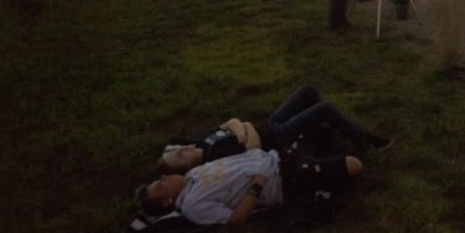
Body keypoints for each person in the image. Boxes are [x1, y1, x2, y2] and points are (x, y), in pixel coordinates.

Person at [158, 83, 390, 173]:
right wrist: (243, 129)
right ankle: (364, 138)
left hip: (269, 123)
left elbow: (232, 122)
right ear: (187, 167)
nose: (179, 150)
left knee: (308, 91)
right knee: (324, 108)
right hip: (277, 137)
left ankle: (327, 133)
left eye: (174, 151)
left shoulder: (202, 141)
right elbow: (253, 148)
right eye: (177, 157)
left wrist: (241, 130)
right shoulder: (213, 158)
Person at [140, 148, 363, 226]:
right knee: (354, 165)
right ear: (168, 202)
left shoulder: (191, 174)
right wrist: (258, 184)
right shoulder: (192, 205)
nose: (163, 178)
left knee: (321, 128)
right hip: (282, 180)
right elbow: (236, 219)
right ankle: (321, 189)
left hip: (276, 157)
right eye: (159, 185)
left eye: (159, 179)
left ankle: (325, 183)